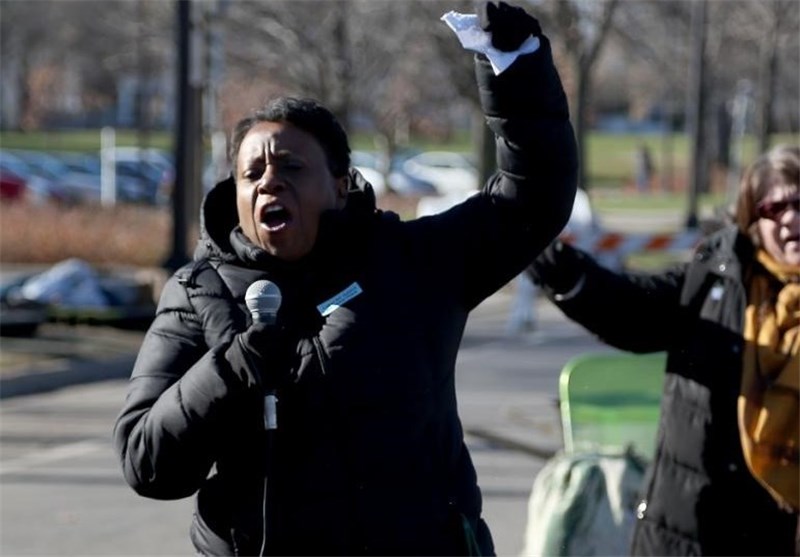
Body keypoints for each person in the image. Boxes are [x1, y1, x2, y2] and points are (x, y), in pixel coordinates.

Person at [112, 3, 577, 555]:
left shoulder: (411, 261)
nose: (269, 183)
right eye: (252, 173)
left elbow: (533, 198)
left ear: (339, 185)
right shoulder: (198, 292)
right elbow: (148, 463)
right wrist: (234, 367)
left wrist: (517, 73)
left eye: (291, 167)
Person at [527, 143, 799, 556]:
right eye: (772, 209)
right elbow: (634, 310)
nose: (790, 219)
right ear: (752, 219)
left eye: (799, 203)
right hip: (691, 534)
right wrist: (558, 267)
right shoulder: (717, 277)